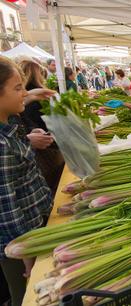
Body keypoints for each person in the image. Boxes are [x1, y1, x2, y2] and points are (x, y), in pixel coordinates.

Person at [0, 56, 53, 306]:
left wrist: (30, 95)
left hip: (33, 229)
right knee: (27, 296)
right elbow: (6, 209)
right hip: (20, 246)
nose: (24, 92)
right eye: (18, 87)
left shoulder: (9, 123)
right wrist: (26, 252)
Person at [17, 60, 65, 195]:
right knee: (53, 178)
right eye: (17, 88)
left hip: (44, 146)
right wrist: (27, 140)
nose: (24, 93)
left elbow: (25, 119)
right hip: (46, 149)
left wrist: (32, 130)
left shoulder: (25, 102)